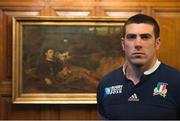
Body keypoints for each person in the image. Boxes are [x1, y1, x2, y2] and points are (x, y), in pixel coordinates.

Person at [96, 14, 180, 120]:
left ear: (157, 43)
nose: (138, 44)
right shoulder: (106, 83)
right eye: (131, 37)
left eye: (145, 37)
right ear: (123, 44)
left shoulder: (176, 81)